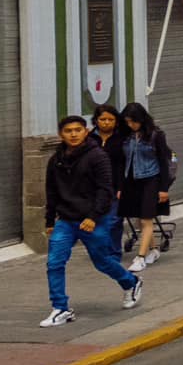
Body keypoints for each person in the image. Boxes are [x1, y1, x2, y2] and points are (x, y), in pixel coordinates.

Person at [39, 115, 142, 327]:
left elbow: (105, 190)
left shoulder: (97, 156)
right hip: (66, 220)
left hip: (94, 219)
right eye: (68, 131)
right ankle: (61, 308)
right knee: (54, 263)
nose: (74, 134)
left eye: (78, 130)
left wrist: (93, 217)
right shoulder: (56, 160)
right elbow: (51, 191)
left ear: (86, 132)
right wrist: (50, 221)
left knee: (102, 262)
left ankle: (131, 283)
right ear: (61, 134)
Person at [117, 103, 174, 272]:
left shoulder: (156, 135)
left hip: (151, 179)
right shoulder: (126, 136)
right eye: (127, 122)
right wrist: (120, 186)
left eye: (134, 121)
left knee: (146, 218)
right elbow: (122, 161)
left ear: (142, 119)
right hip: (132, 180)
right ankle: (154, 250)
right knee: (139, 218)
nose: (131, 125)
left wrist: (164, 188)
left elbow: (164, 162)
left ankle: (140, 257)